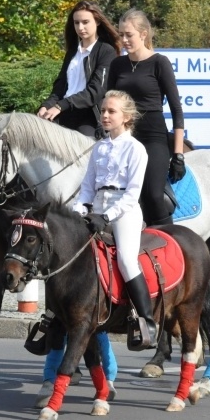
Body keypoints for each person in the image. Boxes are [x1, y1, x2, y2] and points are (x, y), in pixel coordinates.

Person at [74, 90, 156, 350]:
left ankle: (146, 322)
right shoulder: (99, 147)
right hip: (97, 206)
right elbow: (87, 186)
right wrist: (79, 210)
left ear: (127, 117)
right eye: (103, 110)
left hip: (124, 211)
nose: (105, 115)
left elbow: (133, 194)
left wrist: (106, 216)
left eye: (111, 111)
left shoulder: (136, 149)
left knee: (126, 259)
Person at [107, 8, 186, 226]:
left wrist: (178, 155)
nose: (124, 40)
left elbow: (177, 111)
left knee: (152, 194)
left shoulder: (160, 62)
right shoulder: (117, 64)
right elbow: (109, 103)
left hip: (153, 136)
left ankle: (170, 242)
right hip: (124, 138)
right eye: (121, 35)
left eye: (128, 35)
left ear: (143, 34)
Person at [37, 0, 122, 138]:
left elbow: (95, 92)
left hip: (88, 116)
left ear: (98, 22)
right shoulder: (72, 52)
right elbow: (59, 87)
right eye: (76, 23)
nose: (80, 27)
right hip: (63, 111)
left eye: (85, 22)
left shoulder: (106, 51)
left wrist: (60, 106)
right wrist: (46, 106)